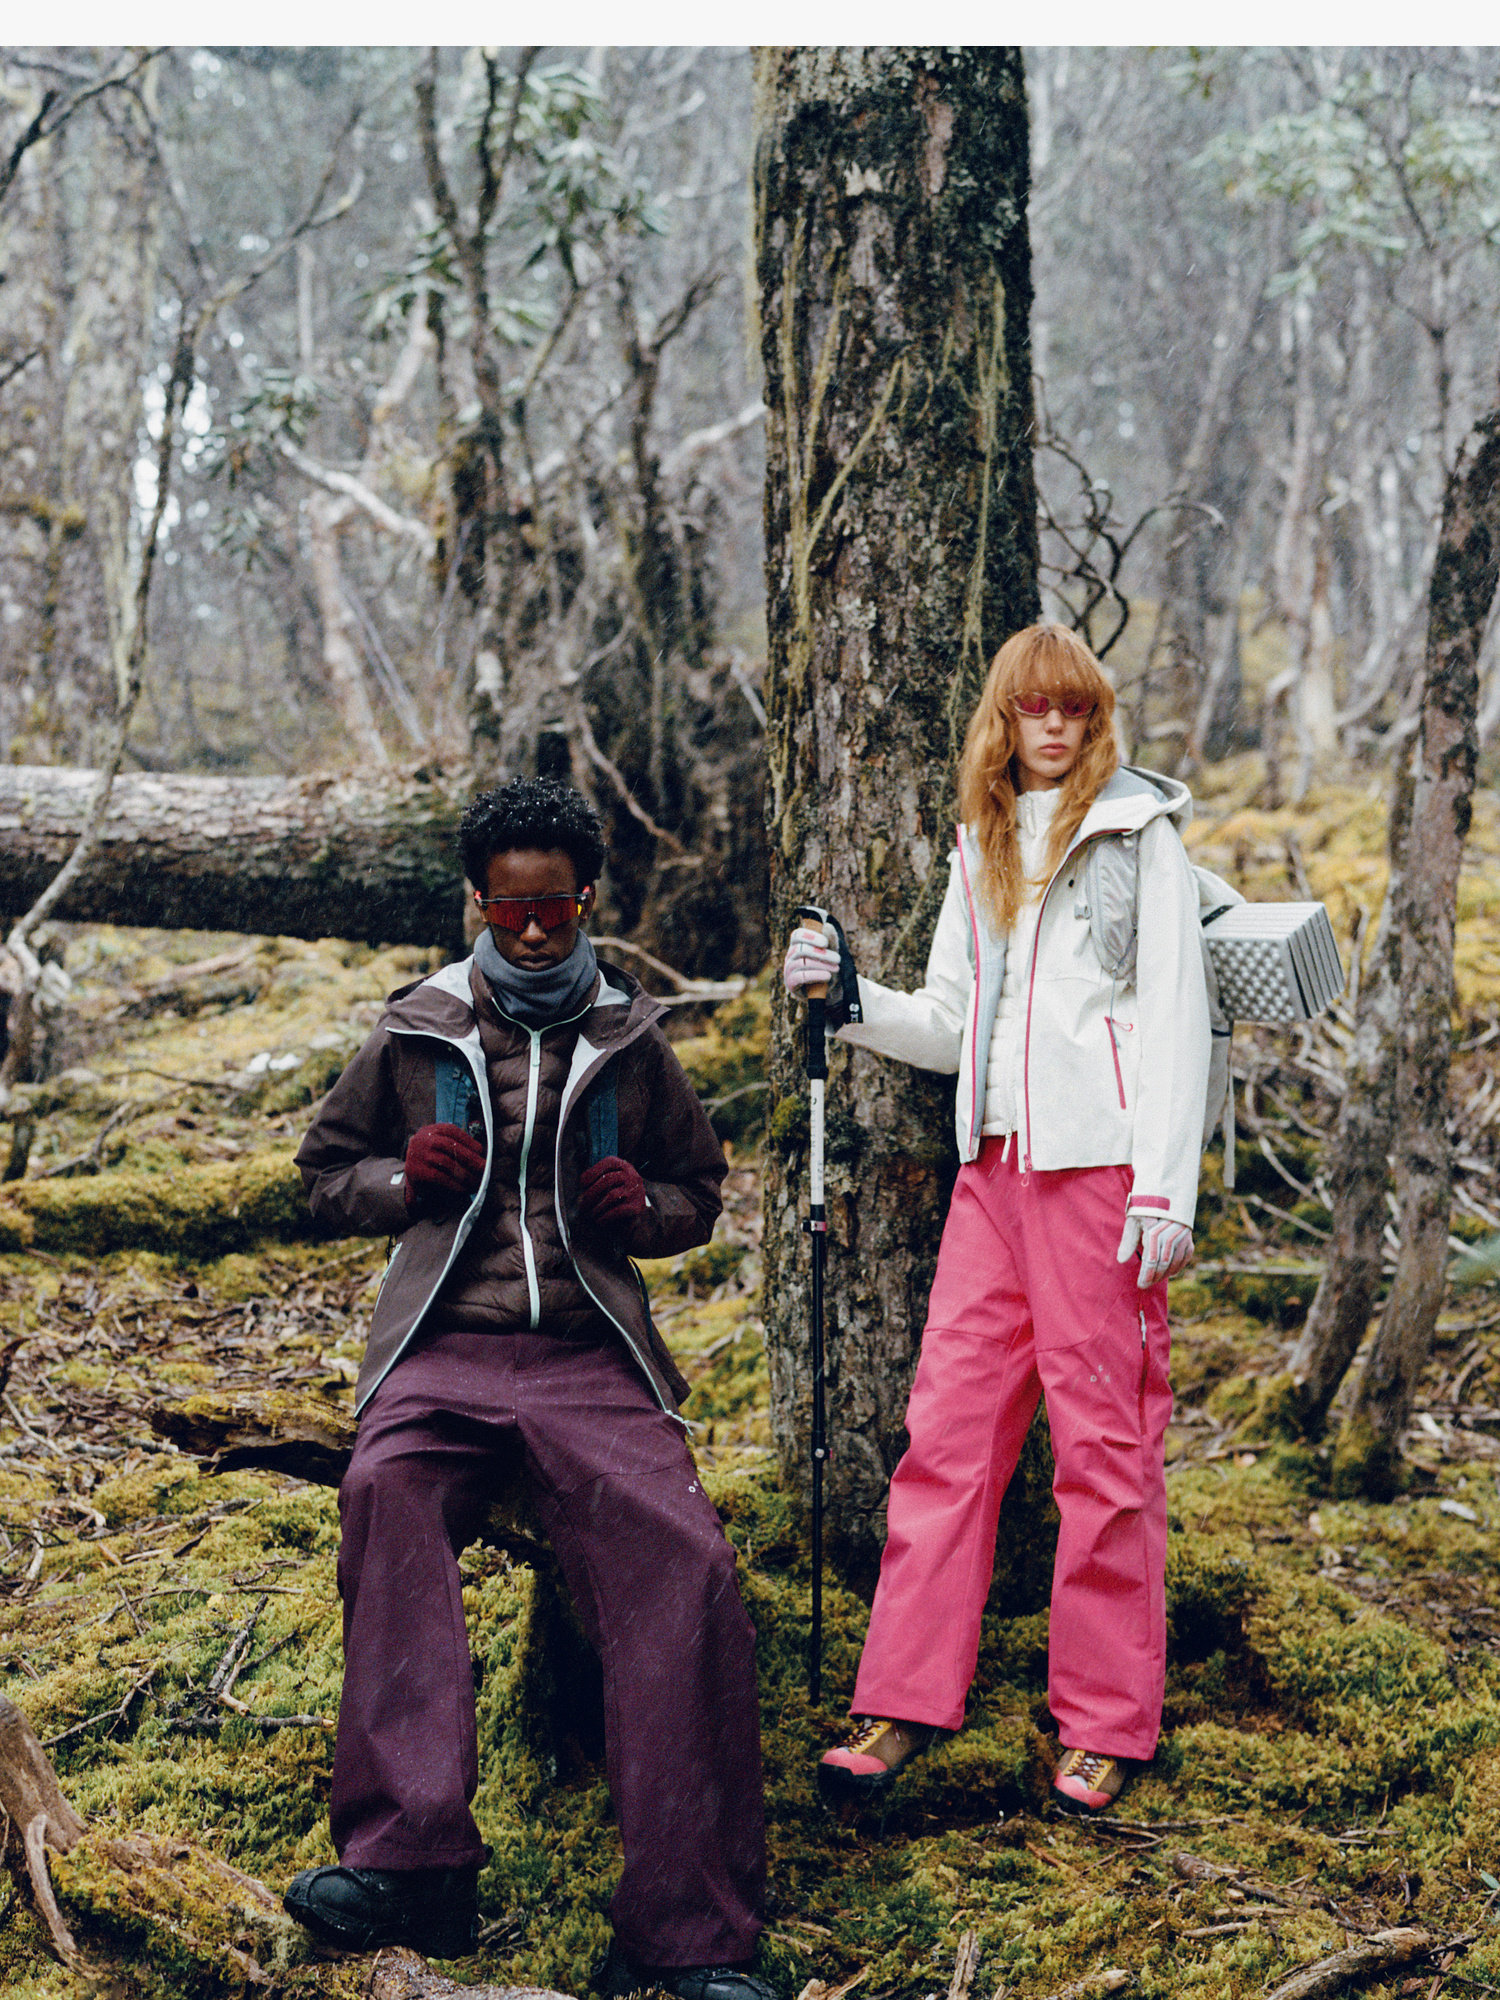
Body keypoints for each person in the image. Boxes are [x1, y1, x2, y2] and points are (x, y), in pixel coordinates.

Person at [284, 777, 771, 1999]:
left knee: (688, 1560)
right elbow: (322, 1171)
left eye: (556, 906)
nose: (537, 929)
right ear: (480, 903)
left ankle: (686, 1932)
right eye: (512, 908)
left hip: (589, 1359)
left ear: (588, 898)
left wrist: (643, 1209)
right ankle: (413, 1863)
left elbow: (699, 1190)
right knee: (386, 1489)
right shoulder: (417, 1025)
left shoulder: (629, 1032)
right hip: (440, 1347)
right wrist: (402, 1181)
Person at [784, 624, 1210, 1815]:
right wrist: (849, 999)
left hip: (1100, 1184)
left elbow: (1175, 1018)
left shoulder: (1141, 841)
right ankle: (903, 1697)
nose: (1056, 727)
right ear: (1005, 719)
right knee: (947, 1438)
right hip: (994, 1180)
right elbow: (951, 1018)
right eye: (1035, 708)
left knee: (1103, 1455)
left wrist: (1165, 1187)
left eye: (1074, 707)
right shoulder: (981, 847)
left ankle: (1106, 1720)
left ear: (1095, 718)